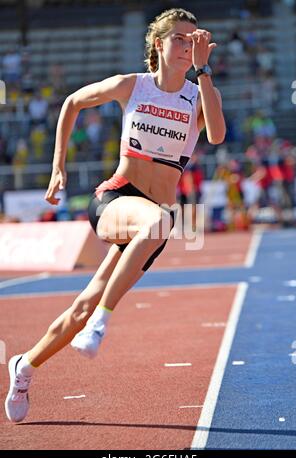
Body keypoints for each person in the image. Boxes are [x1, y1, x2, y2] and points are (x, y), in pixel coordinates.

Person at [5, 7, 225, 423]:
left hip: (152, 217)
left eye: (195, 39)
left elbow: (215, 134)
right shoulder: (133, 86)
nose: (187, 45)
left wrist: (204, 70)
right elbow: (72, 102)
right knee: (159, 224)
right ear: (157, 44)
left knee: (83, 305)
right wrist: (58, 166)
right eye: (179, 38)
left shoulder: (199, 94)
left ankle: (25, 366)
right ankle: (101, 326)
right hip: (118, 198)